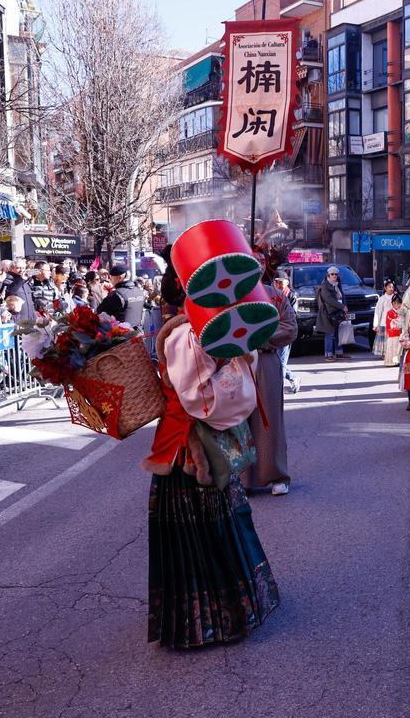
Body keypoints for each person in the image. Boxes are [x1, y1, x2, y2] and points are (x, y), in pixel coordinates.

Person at [146, 292, 279, 648]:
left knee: (219, 523)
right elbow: (199, 398)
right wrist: (236, 365)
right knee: (206, 529)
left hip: (196, 442)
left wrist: (238, 356)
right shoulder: (185, 337)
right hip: (188, 448)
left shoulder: (205, 333)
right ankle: (213, 617)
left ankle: (221, 612)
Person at [242, 256, 298, 497]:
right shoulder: (232, 297)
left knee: (270, 420)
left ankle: (277, 475)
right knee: (237, 419)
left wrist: (259, 338)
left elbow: (290, 328)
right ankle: (242, 478)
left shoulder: (275, 296)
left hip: (265, 360)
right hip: (237, 362)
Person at [270, 276, 299, 394]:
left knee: (280, 362)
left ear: (286, 283)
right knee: (275, 362)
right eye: (276, 282)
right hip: (271, 333)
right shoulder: (270, 294)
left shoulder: (291, 296)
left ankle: (278, 390)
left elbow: (293, 315)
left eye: (281, 282)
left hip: (284, 333)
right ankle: (292, 377)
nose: (278, 284)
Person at [97, 265, 146, 329]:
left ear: (120, 278)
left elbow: (99, 311)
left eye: (111, 276)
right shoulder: (139, 291)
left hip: (122, 335)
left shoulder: (116, 295)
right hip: (138, 333)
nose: (109, 279)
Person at [315, 266, 347, 363]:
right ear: (328, 275)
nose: (334, 276)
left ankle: (339, 352)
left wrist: (344, 306)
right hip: (328, 313)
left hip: (337, 312)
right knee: (329, 333)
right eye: (332, 274)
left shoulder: (337, 284)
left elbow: (342, 295)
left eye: (336, 274)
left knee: (338, 332)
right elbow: (329, 300)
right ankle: (328, 354)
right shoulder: (325, 286)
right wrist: (342, 306)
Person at [2, 259, 36, 324]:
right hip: (17, 321)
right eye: (18, 268)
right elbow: (10, 292)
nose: (21, 270)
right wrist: (21, 279)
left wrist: (34, 317)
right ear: (11, 269)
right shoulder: (8, 280)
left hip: (30, 321)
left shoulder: (26, 282)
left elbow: (31, 302)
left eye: (23, 268)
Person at [372, 280, 396, 357]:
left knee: (392, 339)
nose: (391, 288)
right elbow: (378, 312)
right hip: (384, 322)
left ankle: (392, 353)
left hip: (393, 322)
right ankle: (385, 354)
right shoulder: (382, 299)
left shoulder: (395, 298)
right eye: (389, 287)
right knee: (385, 340)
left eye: (392, 287)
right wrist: (376, 324)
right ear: (385, 288)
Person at [383, 293, 403, 366]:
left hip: (399, 333)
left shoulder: (400, 312)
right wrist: (397, 322)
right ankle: (392, 362)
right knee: (393, 348)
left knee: (397, 349)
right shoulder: (390, 312)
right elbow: (390, 323)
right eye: (397, 303)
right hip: (393, 333)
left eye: (400, 303)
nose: (399, 305)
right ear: (393, 304)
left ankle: (396, 361)